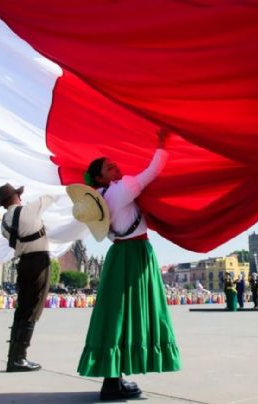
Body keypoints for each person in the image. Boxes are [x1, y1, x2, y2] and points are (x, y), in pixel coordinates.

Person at [77, 128, 181, 401]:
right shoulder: (120, 190)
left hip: (118, 256)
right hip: (135, 255)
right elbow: (153, 171)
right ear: (100, 177)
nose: (117, 167)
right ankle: (113, 383)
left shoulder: (98, 201)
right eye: (110, 167)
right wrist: (162, 144)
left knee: (117, 315)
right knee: (132, 313)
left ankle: (113, 379)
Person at [0, 182, 57, 372]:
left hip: (23, 262)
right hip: (38, 261)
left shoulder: (4, 222)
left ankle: (13, 356)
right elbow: (52, 195)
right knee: (33, 308)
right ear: (16, 197)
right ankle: (18, 359)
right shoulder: (29, 209)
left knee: (22, 309)